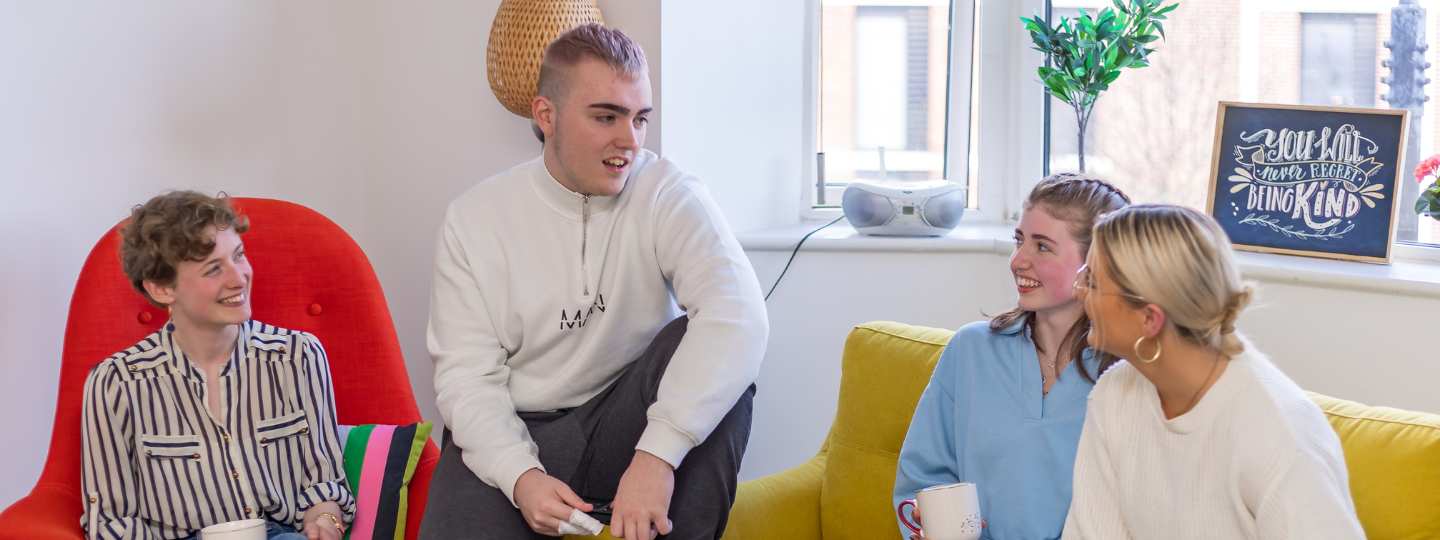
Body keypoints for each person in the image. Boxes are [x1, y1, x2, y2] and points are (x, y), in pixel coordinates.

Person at [419, 23, 767, 540]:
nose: (630, 140)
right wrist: (521, 477)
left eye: (640, 118)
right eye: (606, 117)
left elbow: (739, 315)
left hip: (625, 420)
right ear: (546, 115)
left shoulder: (666, 192)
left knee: (716, 358)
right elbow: (465, 379)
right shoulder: (473, 219)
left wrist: (656, 457)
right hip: (517, 425)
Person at [1062, 204, 1364, 539]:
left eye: (1092, 282)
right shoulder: (1114, 394)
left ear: (1150, 319)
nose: (1077, 292)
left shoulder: (1280, 437)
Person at [81, 191, 352, 540]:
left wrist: (325, 522)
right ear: (162, 289)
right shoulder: (115, 382)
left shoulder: (299, 356)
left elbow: (323, 483)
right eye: (213, 269)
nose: (239, 279)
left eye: (238, 256)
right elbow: (113, 521)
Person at [894, 175, 1130, 540]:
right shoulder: (970, 350)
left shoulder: (1127, 375)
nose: (1018, 261)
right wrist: (927, 522)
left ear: (1095, 265)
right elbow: (923, 477)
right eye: (1019, 240)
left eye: (1043, 247)